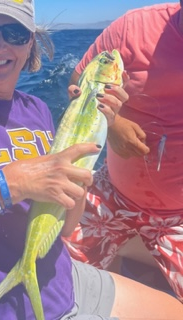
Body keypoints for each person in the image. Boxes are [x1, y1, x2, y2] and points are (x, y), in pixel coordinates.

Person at [0, 1, 182, 319]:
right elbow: (15, 184)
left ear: (31, 44)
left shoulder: (38, 111)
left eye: (14, 33)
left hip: (62, 277)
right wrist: (10, 183)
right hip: (0, 303)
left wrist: (94, 138)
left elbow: (69, 224)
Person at [64, 0, 183, 304]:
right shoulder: (133, 28)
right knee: (52, 271)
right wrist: (113, 124)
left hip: (178, 217)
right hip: (113, 195)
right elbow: (80, 81)